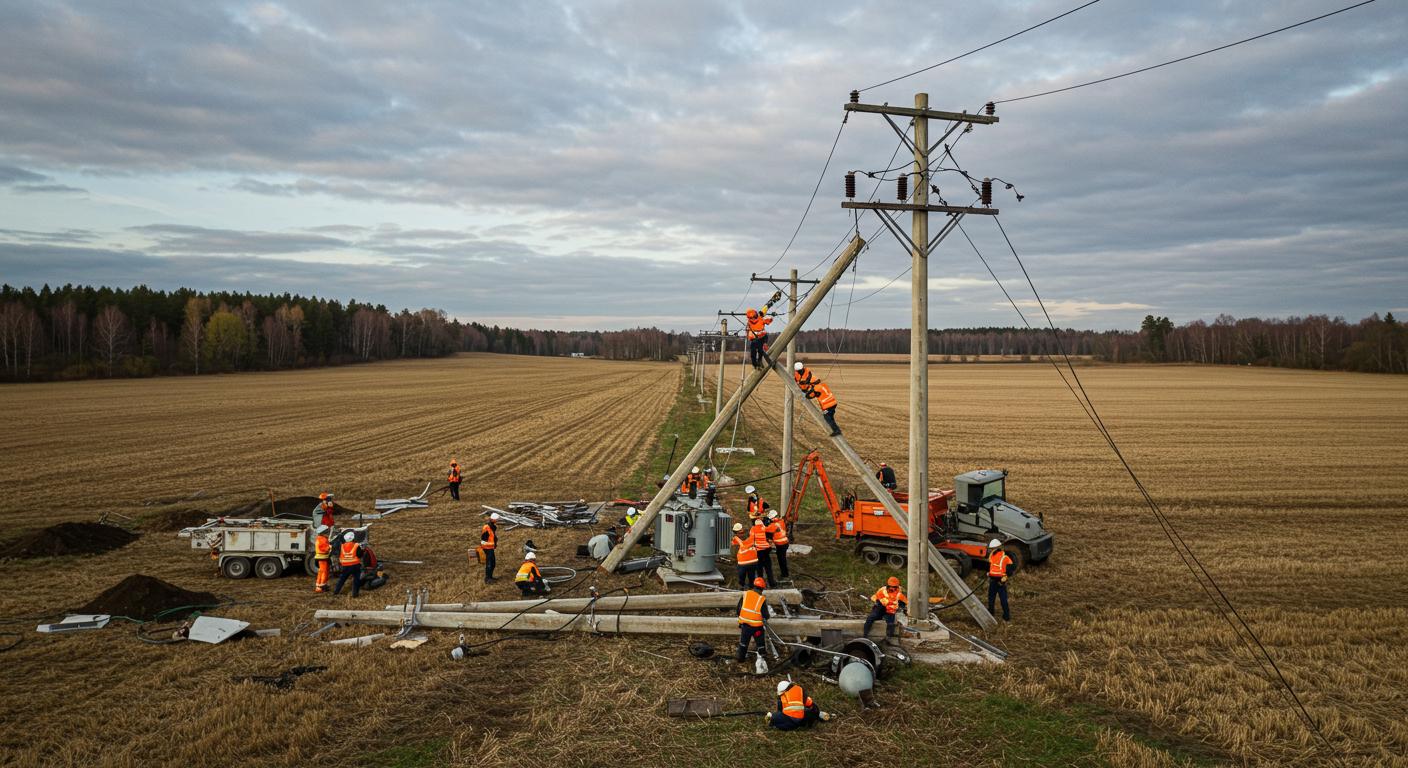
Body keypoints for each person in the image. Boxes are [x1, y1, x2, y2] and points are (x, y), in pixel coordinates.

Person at [735, 577, 770, 662]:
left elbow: (738, 610)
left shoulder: (745, 594)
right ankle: (763, 657)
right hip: (756, 628)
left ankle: (740, 659)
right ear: (762, 588)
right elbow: (766, 615)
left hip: (745, 626)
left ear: (753, 585)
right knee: (760, 642)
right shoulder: (761, 599)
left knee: (743, 643)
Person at [987, 539, 1014, 621]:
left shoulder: (1002, 557)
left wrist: (1004, 578)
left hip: (999, 581)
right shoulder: (997, 556)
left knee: (992, 598)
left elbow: (1009, 570)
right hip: (998, 581)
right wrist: (989, 573)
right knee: (1001, 599)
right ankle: (1006, 616)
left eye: (992, 549)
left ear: (996, 548)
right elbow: (1010, 570)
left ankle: (993, 613)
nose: (991, 550)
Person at [333, 531, 363, 597]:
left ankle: (336, 591)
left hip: (345, 566)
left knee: (342, 579)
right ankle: (355, 594)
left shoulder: (342, 546)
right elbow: (360, 555)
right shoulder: (356, 545)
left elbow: (338, 554)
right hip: (355, 565)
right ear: (353, 538)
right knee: (356, 580)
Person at [731, 522, 759, 587]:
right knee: (751, 577)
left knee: (742, 578)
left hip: (743, 563)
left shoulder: (737, 538)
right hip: (753, 561)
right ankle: (751, 589)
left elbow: (734, 545)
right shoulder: (751, 534)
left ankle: (743, 588)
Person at [751, 513, 775, 588]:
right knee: (768, 568)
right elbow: (771, 531)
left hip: (758, 551)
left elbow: (751, 539)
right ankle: (772, 583)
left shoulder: (753, 529)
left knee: (759, 568)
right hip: (766, 550)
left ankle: (760, 584)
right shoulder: (764, 528)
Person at [765, 510, 791, 581]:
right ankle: (784, 574)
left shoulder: (773, 525)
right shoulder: (781, 521)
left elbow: (765, 529)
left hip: (781, 545)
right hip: (785, 543)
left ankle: (785, 575)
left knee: (782, 560)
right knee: (783, 559)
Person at [480, 512, 500, 582]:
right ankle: (487, 579)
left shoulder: (492, 526)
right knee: (489, 563)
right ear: (493, 519)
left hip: (491, 547)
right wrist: (491, 543)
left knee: (493, 563)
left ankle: (490, 577)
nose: (497, 521)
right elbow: (483, 539)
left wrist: (495, 542)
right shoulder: (486, 527)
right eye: (497, 519)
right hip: (487, 548)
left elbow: (492, 536)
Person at [313, 524, 332, 593]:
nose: (328, 533)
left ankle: (321, 586)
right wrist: (330, 547)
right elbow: (325, 549)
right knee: (324, 572)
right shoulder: (322, 539)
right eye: (327, 532)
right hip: (322, 558)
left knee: (322, 572)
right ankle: (321, 586)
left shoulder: (320, 538)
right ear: (324, 532)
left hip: (322, 558)